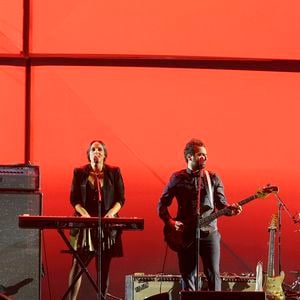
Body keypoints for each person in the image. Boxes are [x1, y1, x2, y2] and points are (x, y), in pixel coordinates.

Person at [158, 138, 242, 292]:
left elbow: (223, 205)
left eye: (206, 155)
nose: (205, 158)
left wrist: (231, 211)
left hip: (210, 233)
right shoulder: (177, 178)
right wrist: (171, 222)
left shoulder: (213, 178)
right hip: (186, 234)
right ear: (190, 157)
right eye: (201, 155)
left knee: (213, 274)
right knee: (188, 275)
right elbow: (162, 205)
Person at [68, 140, 125, 300]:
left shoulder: (114, 172)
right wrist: (83, 213)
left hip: (106, 225)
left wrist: (112, 213)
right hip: (84, 224)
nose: (96, 152)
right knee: (77, 264)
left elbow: (121, 199)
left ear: (104, 155)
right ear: (89, 154)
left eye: (99, 149)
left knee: (103, 267)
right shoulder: (79, 172)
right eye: (93, 149)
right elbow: (74, 199)